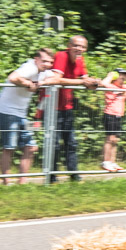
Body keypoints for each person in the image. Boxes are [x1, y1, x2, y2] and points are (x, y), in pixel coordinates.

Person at [41, 35, 98, 183]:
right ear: (69, 45)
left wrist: (94, 82)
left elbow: (86, 79)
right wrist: (81, 82)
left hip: (67, 107)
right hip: (52, 106)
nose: (79, 49)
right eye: (76, 46)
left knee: (71, 143)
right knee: (54, 143)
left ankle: (74, 175)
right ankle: (51, 176)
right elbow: (56, 79)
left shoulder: (80, 60)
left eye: (83, 47)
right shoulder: (61, 55)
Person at [0, 48, 53, 184]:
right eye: (44, 61)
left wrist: (43, 83)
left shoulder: (43, 72)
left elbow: (57, 78)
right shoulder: (30, 67)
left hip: (21, 114)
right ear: (36, 59)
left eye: (50, 62)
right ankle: (6, 183)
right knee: (9, 147)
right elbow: (13, 77)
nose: (47, 64)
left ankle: (22, 182)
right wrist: (28, 83)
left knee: (31, 147)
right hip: (7, 112)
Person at [98, 68, 126, 173]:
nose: (124, 81)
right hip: (110, 114)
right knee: (110, 139)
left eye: (125, 79)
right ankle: (106, 161)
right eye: (121, 78)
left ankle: (112, 161)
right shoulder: (110, 86)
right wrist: (110, 76)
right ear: (115, 77)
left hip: (118, 115)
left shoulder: (123, 87)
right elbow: (103, 83)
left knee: (115, 140)